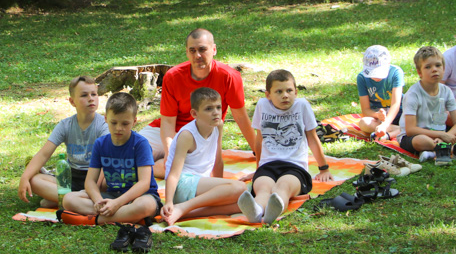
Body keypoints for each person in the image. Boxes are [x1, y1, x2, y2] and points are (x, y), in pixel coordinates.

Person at [140, 29, 256, 175]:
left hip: (201, 134)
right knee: (127, 154)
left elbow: (240, 117)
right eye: (192, 50)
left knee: (192, 173)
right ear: (187, 52)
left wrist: (258, 152)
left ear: (214, 50)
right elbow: (168, 122)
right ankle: (154, 165)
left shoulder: (229, 76)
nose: (197, 56)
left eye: (202, 49)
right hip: (166, 132)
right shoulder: (173, 76)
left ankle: (151, 169)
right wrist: (170, 152)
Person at [63, 92, 162, 252]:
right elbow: (90, 181)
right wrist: (97, 201)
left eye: (125, 123)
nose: (119, 128)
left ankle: (97, 219)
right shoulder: (101, 143)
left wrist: (117, 204)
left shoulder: (140, 144)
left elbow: (144, 183)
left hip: (139, 197)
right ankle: (129, 217)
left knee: (146, 206)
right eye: (114, 122)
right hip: (111, 196)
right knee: (68, 199)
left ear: (134, 122)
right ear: (106, 119)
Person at [237, 70, 333, 225]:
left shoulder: (302, 106)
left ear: (296, 92)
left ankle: (273, 210)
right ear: (268, 95)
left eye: (289, 91)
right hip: (268, 165)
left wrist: (324, 168)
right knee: (263, 188)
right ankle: (256, 210)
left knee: (283, 187)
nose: (285, 95)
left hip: (294, 168)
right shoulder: (262, 105)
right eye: (279, 91)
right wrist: (258, 168)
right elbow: (259, 140)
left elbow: (313, 139)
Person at [18, 76, 108, 208]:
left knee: (107, 182)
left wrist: (95, 187)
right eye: (84, 95)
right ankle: (75, 200)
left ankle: (63, 199)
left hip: (95, 178)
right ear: (72, 101)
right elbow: (44, 154)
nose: (91, 98)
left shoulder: (103, 125)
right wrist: (24, 178)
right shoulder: (65, 125)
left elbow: (106, 161)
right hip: (71, 177)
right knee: (34, 180)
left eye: (94, 94)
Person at [162, 88, 247, 225]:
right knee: (240, 188)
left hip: (199, 185)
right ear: (195, 113)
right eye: (208, 109)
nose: (216, 112)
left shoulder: (218, 126)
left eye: (218, 107)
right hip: (183, 184)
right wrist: (169, 201)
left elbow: (217, 160)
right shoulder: (187, 136)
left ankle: (184, 213)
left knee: (242, 202)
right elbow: (173, 173)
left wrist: (221, 191)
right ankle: (181, 207)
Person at [399, 46, 456, 166]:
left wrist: (447, 135)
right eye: (428, 67)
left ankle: (446, 149)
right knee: (421, 141)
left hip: (441, 133)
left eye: (438, 65)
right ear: (419, 72)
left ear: (444, 69)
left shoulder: (446, 91)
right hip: (416, 136)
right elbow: (410, 130)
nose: (434, 70)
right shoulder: (413, 94)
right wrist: (441, 135)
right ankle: (447, 148)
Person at [356, 45, 403, 141]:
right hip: (378, 117)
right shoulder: (362, 78)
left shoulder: (396, 73)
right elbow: (365, 110)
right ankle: (399, 131)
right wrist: (378, 115)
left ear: (388, 64)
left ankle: (392, 132)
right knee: (364, 123)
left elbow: (396, 104)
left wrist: (385, 125)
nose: (376, 77)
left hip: (400, 113)